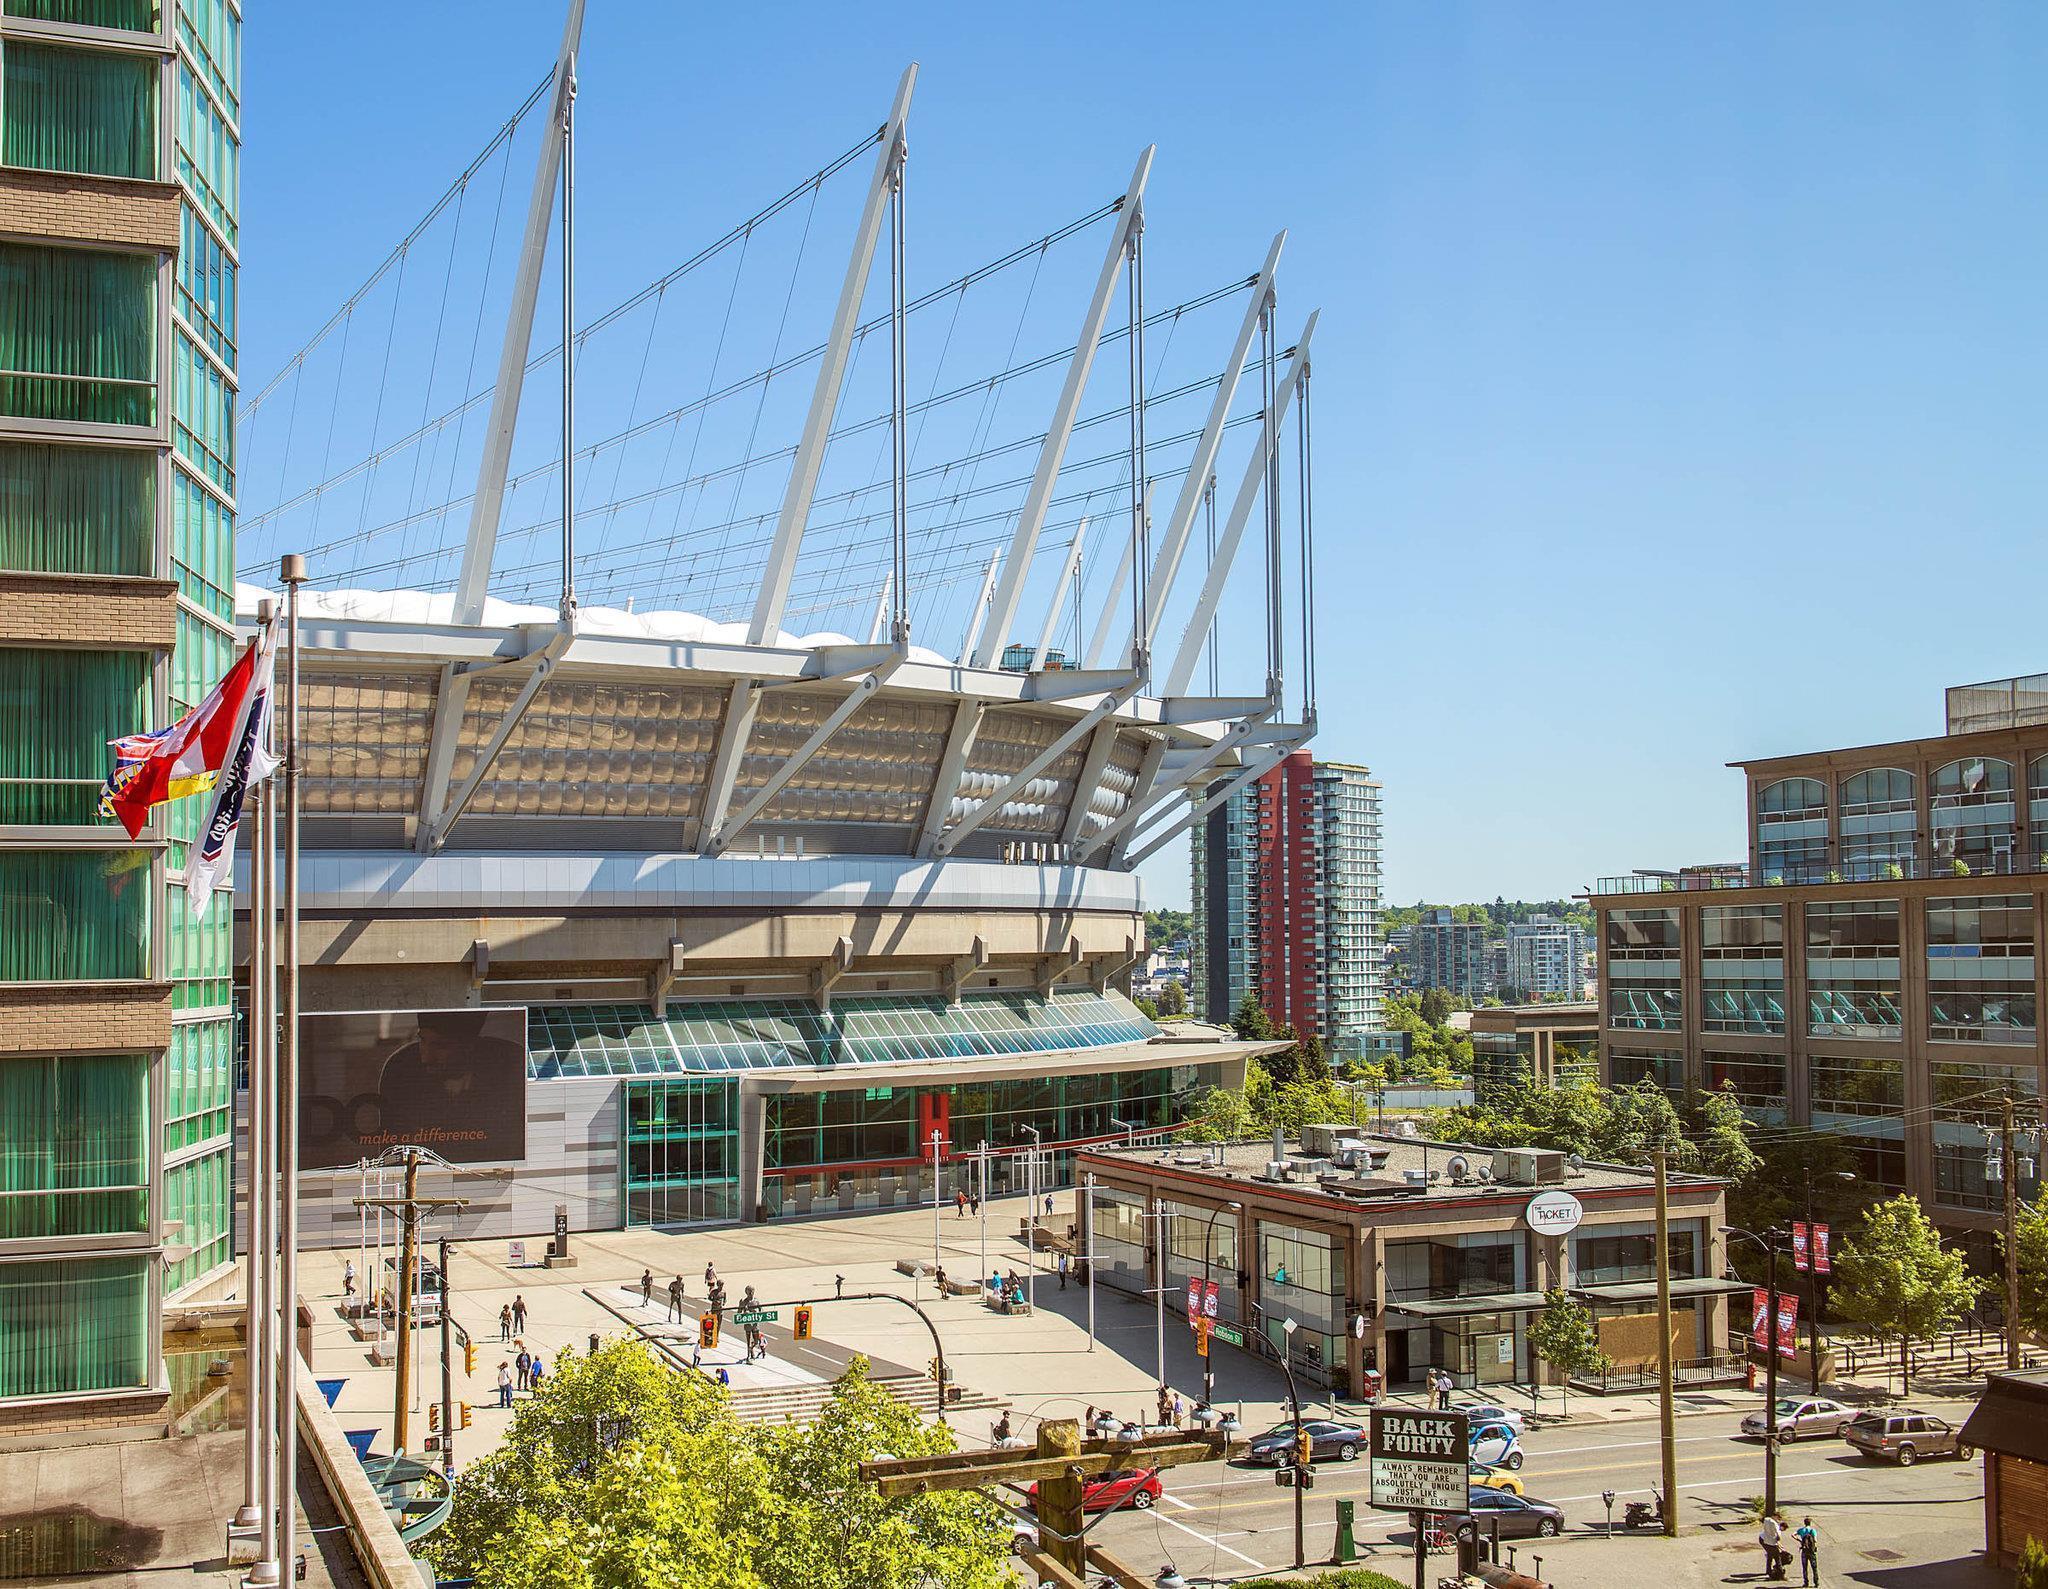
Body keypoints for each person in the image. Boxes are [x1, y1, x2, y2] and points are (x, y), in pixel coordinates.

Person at [1760, 1510, 1784, 1580]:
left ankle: (1768, 1571)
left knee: (1770, 1556)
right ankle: (1781, 1574)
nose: (1778, 1519)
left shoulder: (1766, 1519)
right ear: (1775, 1516)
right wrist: (1779, 1543)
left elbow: (1762, 1520)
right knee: (1777, 1558)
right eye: (1778, 1517)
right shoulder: (1775, 1524)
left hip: (1765, 1540)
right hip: (1772, 1542)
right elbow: (1778, 1536)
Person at [1795, 1517, 1819, 1586]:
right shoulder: (1812, 1530)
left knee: (1805, 1567)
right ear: (1810, 1523)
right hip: (1811, 1551)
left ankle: (1806, 1582)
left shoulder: (1801, 1530)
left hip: (1804, 1550)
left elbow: (1793, 1535)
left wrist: (1800, 1540)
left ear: (1804, 1523)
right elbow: (1815, 1540)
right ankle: (1816, 1582)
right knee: (1814, 1567)